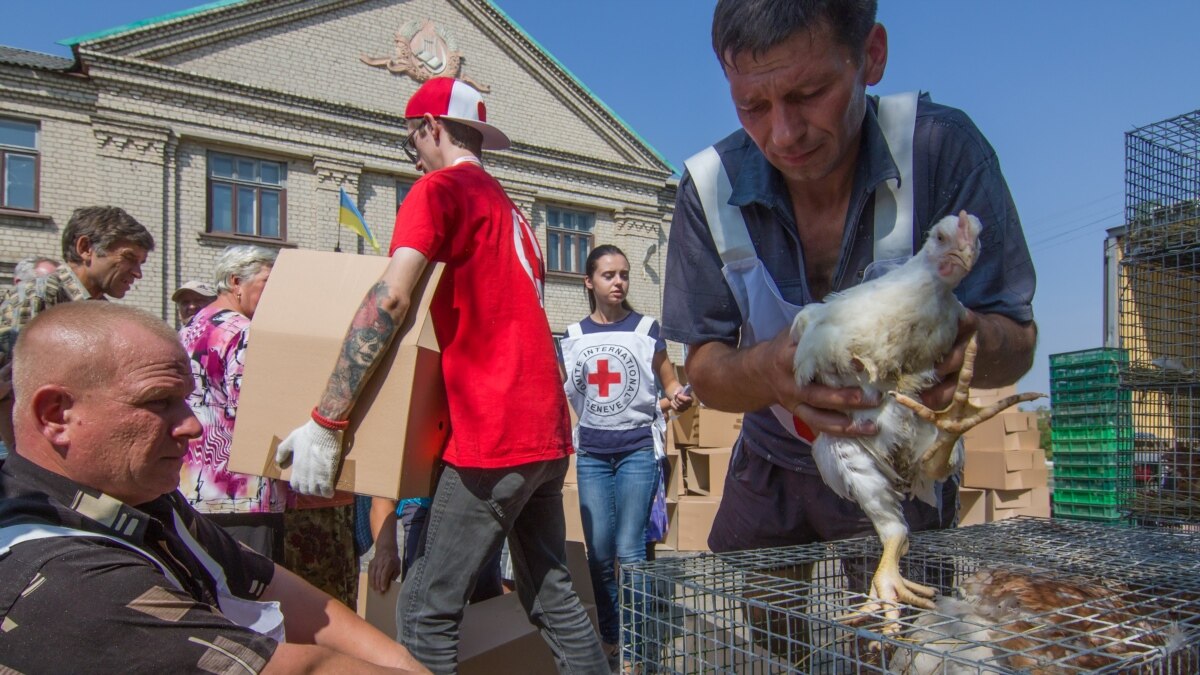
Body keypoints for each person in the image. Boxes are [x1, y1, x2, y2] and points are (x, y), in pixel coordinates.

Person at [663, 0, 1036, 560]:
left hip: (896, 460)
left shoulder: (942, 151)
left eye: (809, 94)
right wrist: (767, 370)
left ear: (872, 55)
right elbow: (705, 368)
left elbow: (1019, 341)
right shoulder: (708, 188)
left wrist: (968, 343)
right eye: (752, 105)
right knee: (766, 635)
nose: (784, 133)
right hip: (771, 460)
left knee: (901, 638)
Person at [274, 77, 607, 674]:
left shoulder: (440, 190)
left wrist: (327, 419)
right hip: (545, 432)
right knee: (552, 596)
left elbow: (392, 299)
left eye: (411, 143)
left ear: (431, 128)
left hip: (493, 432)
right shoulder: (512, 211)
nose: (415, 155)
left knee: (426, 607)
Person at [0, 301, 427, 674]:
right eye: (157, 401)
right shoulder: (63, 577)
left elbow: (266, 581)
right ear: (56, 415)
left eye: (187, 399)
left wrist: (402, 664)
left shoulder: (140, 501)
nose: (192, 424)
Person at [560, 244, 692, 669]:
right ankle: (612, 634)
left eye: (624, 275)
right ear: (589, 282)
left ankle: (634, 647)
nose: (618, 282)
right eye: (608, 275)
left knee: (630, 551)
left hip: (637, 450)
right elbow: (564, 398)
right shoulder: (573, 337)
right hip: (593, 455)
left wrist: (678, 396)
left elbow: (669, 381)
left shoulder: (647, 330)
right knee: (598, 553)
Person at [0, 205, 154, 452]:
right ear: (86, 248)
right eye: (128, 258)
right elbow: (13, 391)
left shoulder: (101, 311)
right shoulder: (39, 297)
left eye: (141, 262)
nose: (137, 273)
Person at [179, 245, 287, 564]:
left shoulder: (191, 327)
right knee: (250, 598)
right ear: (235, 281)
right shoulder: (244, 331)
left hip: (193, 486)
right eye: (268, 282)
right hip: (242, 491)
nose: (276, 292)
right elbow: (252, 408)